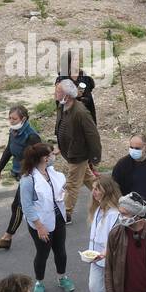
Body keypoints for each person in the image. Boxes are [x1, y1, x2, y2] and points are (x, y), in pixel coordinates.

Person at [18, 142, 73, 292]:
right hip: (40, 224)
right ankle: (39, 282)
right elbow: (27, 206)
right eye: (51, 154)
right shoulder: (28, 180)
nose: (54, 156)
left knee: (60, 251)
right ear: (44, 158)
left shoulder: (50, 172)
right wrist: (39, 226)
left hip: (58, 219)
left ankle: (62, 277)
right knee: (43, 253)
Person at [0, 106, 41, 251]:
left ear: (23, 119)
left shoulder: (32, 137)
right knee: (34, 203)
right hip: (21, 173)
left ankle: (7, 238)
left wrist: (29, 175)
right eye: (9, 118)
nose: (11, 121)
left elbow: (39, 158)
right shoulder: (14, 131)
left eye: (14, 119)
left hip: (30, 175)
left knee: (18, 206)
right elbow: (9, 150)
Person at [52, 78, 101, 223]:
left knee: (72, 184)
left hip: (78, 154)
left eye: (58, 91)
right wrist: (60, 146)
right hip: (70, 151)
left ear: (67, 95)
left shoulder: (81, 112)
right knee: (89, 179)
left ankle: (66, 213)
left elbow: (93, 135)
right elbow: (62, 127)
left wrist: (96, 157)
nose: (55, 93)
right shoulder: (63, 106)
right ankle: (107, 197)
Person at [110, 133, 146, 227]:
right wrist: (123, 208)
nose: (134, 150)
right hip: (131, 215)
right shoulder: (122, 165)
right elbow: (114, 187)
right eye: (131, 147)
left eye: (137, 148)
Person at [86, 176, 122, 292]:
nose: (93, 192)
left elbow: (113, 238)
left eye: (97, 189)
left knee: (119, 289)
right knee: (94, 287)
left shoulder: (114, 214)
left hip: (110, 258)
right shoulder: (98, 209)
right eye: (93, 188)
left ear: (107, 191)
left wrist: (104, 253)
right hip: (96, 257)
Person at [58, 50, 97, 122]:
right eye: (75, 60)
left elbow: (89, 95)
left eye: (78, 59)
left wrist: (83, 99)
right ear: (68, 63)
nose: (78, 62)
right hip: (69, 117)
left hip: (86, 114)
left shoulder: (83, 76)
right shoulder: (62, 79)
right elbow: (60, 101)